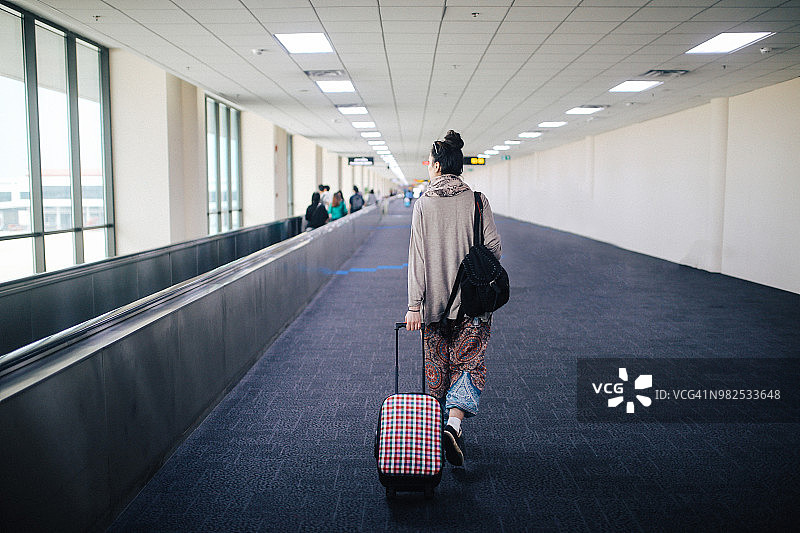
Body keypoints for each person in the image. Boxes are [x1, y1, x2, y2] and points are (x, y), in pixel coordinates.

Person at [404, 130, 501, 467]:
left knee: (438, 368)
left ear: (435, 167)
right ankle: (453, 424)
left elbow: (417, 257)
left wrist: (414, 306)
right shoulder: (477, 201)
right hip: (472, 303)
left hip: (432, 307)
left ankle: (434, 432)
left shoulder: (423, 205)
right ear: (458, 167)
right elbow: (494, 250)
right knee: (470, 364)